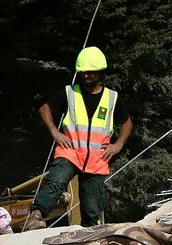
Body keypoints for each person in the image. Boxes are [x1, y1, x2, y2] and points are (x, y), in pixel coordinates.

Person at [23, 47, 133, 230]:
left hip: (97, 159)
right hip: (70, 152)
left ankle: (88, 236)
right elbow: (44, 109)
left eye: (90, 72)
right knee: (56, 181)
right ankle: (36, 217)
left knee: (92, 207)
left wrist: (118, 145)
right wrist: (55, 132)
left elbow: (127, 122)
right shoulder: (70, 93)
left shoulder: (112, 98)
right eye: (82, 71)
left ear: (100, 72)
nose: (86, 75)